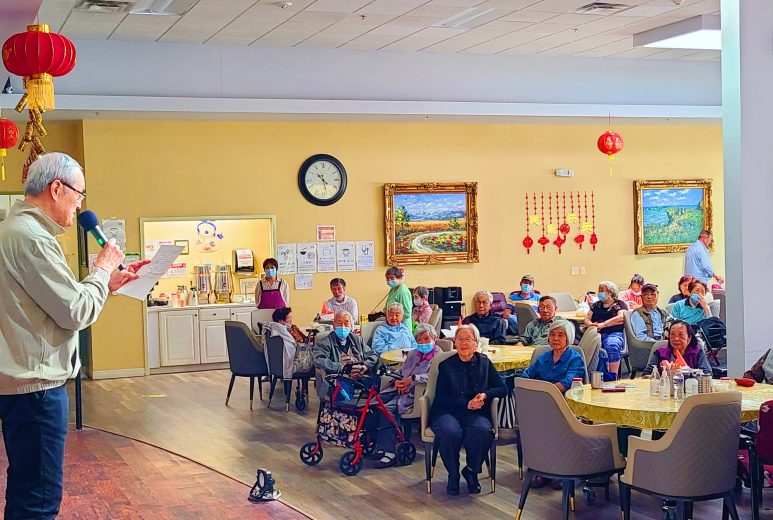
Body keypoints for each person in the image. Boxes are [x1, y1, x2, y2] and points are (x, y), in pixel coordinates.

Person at [0, 152, 148, 519]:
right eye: (79, 195)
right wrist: (102, 268)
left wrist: (105, 284)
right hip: (36, 387)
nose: (80, 205)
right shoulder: (32, 238)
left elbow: (52, 302)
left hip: (22, 384)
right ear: (56, 189)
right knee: (39, 500)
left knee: (26, 488)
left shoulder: (15, 230)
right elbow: (76, 312)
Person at [430, 325, 506, 495]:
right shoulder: (445, 365)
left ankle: (471, 471)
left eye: (468, 339)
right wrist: (466, 404)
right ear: (455, 343)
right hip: (447, 411)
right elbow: (441, 398)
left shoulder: (484, 363)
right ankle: (453, 474)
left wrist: (485, 395)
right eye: (460, 339)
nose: (464, 343)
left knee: (483, 431)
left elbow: (502, 388)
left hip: (475, 413)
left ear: (476, 343)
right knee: (449, 431)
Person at [519, 320, 586, 490]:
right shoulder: (543, 358)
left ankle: (562, 470)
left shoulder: (575, 358)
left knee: (555, 426)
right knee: (537, 426)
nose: (555, 338)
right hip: (541, 403)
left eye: (560, 335)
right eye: (552, 334)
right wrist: (537, 392)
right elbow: (525, 375)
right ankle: (543, 470)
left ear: (568, 338)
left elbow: (569, 382)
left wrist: (544, 391)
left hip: (565, 403)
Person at [373, 324, 440, 468]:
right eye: (419, 340)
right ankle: (378, 445)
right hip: (398, 389)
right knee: (372, 404)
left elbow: (434, 376)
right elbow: (402, 371)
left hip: (415, 394)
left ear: (434, 338)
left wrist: (413, 378)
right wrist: (397, 380)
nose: (423, 343)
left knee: (387, 410)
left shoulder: (439, 357)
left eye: (426, 339)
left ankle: (390, 452)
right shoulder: (413, 354)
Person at [312, 310, 379, 398]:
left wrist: (365, 366)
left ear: (351, 326)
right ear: (334, 325)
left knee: (379, 383)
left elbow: (373, 355)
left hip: (360, 375)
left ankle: (368, 406)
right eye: (339, 323)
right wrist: (341, 368)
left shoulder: (357, 340)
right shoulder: (324, 343)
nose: (343, 327)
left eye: (346, 323)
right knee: (343, 389)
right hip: (340, 378)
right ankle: (346, 407)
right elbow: (319, 360)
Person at [584, 281, 628, 376]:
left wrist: (603, 324)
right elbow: (587, 318)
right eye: (599, 290)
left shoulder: (619, 304)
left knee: (612, 345)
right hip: (597, 334)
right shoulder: (596, 305)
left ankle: (612, 376)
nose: (600, 293)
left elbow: (621, 318)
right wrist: (591, 325)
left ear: (610, 292)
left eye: (602, 290)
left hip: (614, 333)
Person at [643, 320, 712, 376]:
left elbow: (707, 374)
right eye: (672, 334)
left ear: (689, 338)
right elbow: (646, 374)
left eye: (680, 335)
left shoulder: (697, 353)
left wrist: (688, 372)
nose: (676, 339)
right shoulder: (660, 353)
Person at [267, 307, 307, 379]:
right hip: (298, 359)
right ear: (280, 320)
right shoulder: (284, 333)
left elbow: (304, 338)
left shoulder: (293, 328)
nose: (291, 320)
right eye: (288, 318)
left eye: (291, 317)